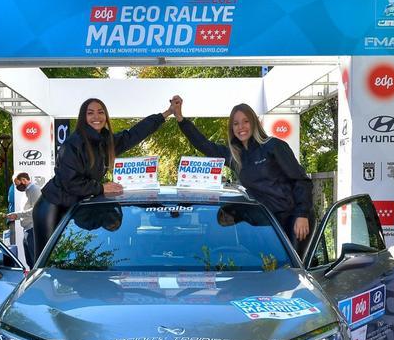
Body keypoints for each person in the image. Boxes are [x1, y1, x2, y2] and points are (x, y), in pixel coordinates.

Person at [32, 97, 176, 253]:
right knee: (46, 263)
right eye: (90, 113)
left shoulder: (106, 142)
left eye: (101, 112)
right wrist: (101, 188)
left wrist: (167, 113)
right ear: (83, 117)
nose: (96, 117)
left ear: (106, 117)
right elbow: (70, 183)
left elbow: (134, 134)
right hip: (53, 206)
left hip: (76, 205)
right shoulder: (72, 144)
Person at [172, 96, 314, 253]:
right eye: (236, 123)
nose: (241, 127)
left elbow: (301, 180)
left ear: (254, 122)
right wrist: (180, 118)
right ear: (232, 128)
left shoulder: (273, 146)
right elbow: (204, 145)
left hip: (294, 219)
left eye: (246, 121)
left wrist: (302, 214)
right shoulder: (236, 157)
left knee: (293, 272)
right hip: (268, 224)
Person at [6, 172, 41, 266]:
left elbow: (36, 210)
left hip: (32, 229)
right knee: (29, 260)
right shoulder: (28, 191)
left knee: (33, 261)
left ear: (24, 180)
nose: (17, 187)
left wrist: (17, 215)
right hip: (27, 229)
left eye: (17, 184)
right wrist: (17, 216)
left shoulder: (34, 190)